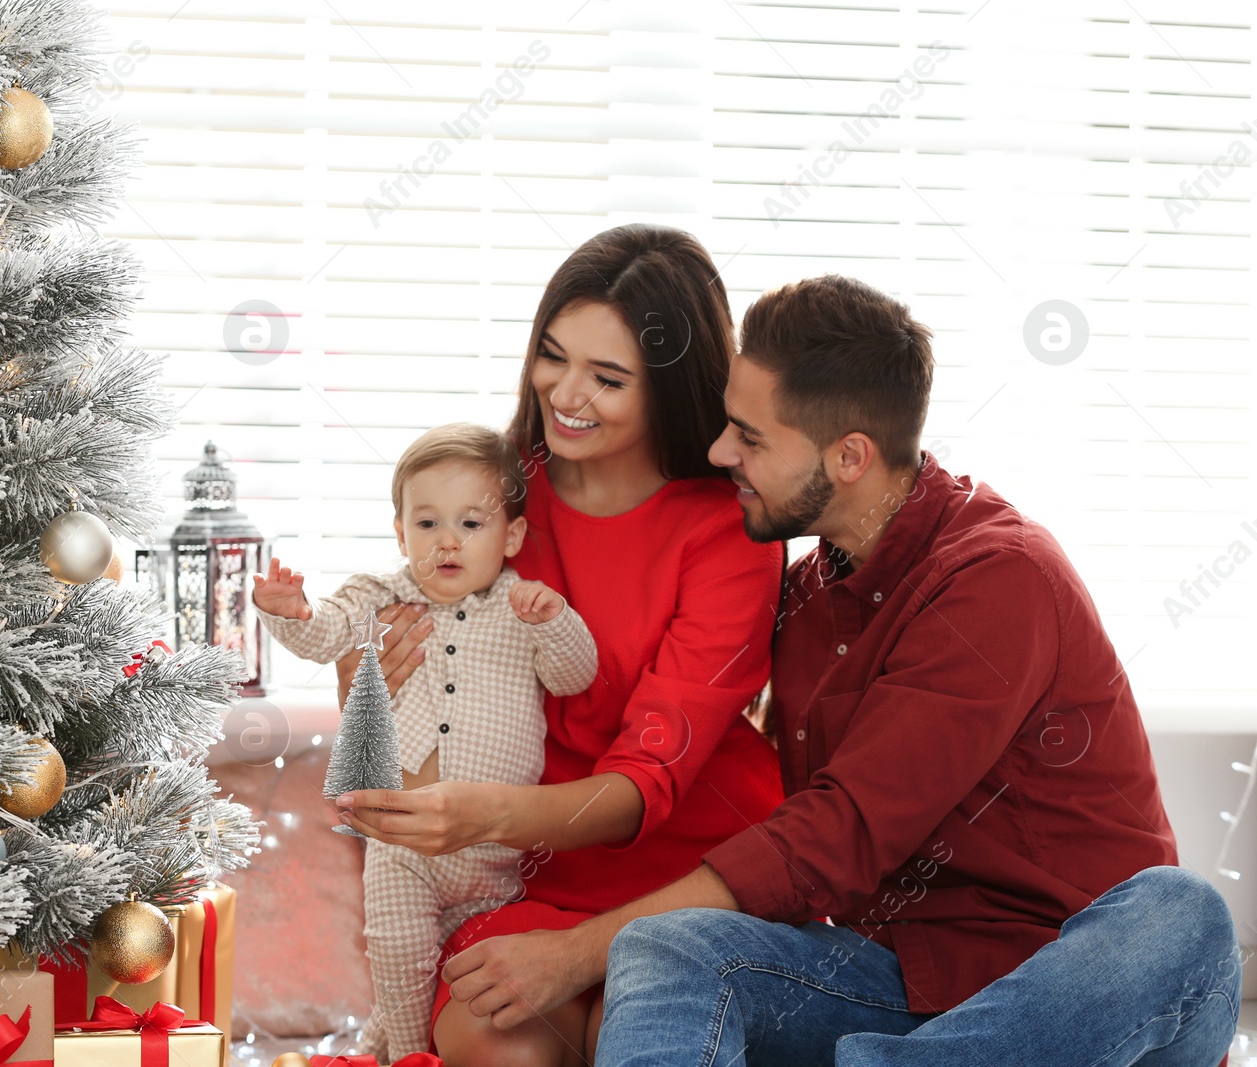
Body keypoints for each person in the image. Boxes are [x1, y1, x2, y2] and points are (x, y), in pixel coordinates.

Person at [471, 273, 1242, 1065]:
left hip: (1073, 993)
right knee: (663, 947)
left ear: (849, 456)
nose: (719, 451)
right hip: (900, 987)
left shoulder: (997, 578)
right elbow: (669, 690)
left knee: (1180, 913)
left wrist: (571, 953)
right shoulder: (807, 595)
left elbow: (834, 836)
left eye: (750, 436)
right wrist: (431, 628)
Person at [330, 223, 787, 1065]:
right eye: (552, 354)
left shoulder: (729, 531)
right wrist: (367, 677)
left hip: (689, 881)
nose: (565, 391)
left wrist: (484, 814)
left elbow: (652, 773)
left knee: (642, 1035)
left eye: (608, 377)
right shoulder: (491, 493)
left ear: (669, 387)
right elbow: (410, 673)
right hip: (521, 877)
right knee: (491, 1042)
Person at [251, 422, 600, 1061]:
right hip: (401, 839)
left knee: (460, 973)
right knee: (398, 951)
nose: (447, 541)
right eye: (427, 523)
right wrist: (291, 612)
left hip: (498, 852)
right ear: (400, 532)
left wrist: (557, 622)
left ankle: (382, 1045)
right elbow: (327, 634)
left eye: (471, 524)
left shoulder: (521, 608)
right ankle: (413, 1055)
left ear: (511, 535)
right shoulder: (379, 597)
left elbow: (575, 674)